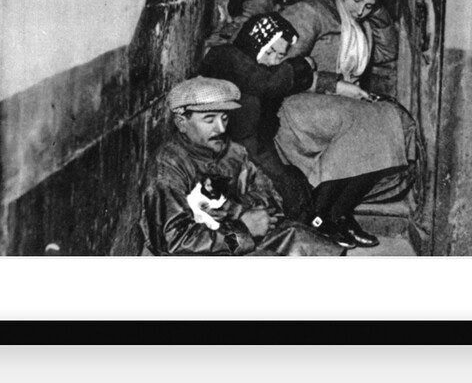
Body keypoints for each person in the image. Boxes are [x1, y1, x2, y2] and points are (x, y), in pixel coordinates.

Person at [274, 0, 416, 248]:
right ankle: (328, 214)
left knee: (391, 119)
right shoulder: (311, 11)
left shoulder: (356, 19)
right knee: (366, 120)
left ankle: (335, 213)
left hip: (335, 103)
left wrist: (376, 11)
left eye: (368, 5)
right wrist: (334, 85)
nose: (360, 10)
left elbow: (388, 52)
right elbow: (282, 70)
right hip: (298, 101)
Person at [140, 76, 342, 256]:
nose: (220, 128)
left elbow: (272, 198)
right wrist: (242, 226)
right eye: (209, 119)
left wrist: (239, 213)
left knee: (301, 237)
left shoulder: (234, 152)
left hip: (234, 238)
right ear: (181, 122)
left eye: (224, 118)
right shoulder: (168, 166)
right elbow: (173, 241)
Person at [198, 13, 317, 221]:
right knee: (280, 190)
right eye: (269, 51)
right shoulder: (226, 56)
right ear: (253, 41)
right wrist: (303, 65)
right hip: (224, 152)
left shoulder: (256, 67)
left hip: (251, 146)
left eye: (279, 56)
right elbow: (265, 83)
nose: (272, 61)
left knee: (293, 184)